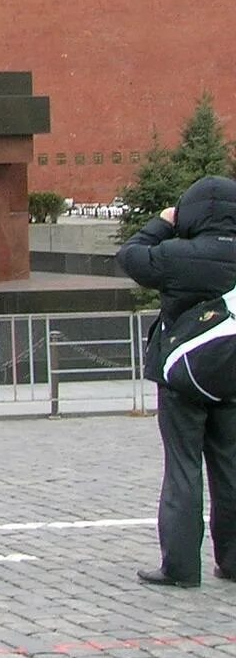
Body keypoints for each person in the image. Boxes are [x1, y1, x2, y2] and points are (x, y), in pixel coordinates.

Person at [116, 175, 236, 589]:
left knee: (183, 469)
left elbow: (130, 255)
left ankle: (182, 567)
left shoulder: (176, 254)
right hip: (234, 376)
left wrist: (164, 221)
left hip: (183, 378)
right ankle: (234, 561)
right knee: (231, 468)